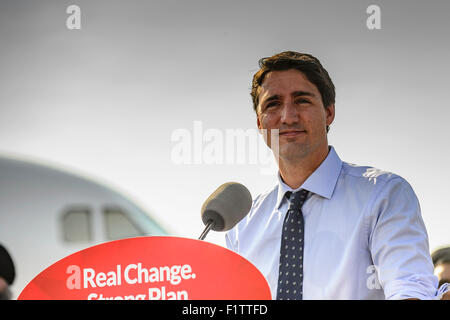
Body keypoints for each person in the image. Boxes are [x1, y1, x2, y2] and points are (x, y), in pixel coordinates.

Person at [225, 51, 449, 300]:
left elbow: (409, 289)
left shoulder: (384, 195)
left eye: (302, 100)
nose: (288, 117)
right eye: (273, 104)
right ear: (259, 122)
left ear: (329, 112)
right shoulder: (242, 226)